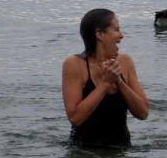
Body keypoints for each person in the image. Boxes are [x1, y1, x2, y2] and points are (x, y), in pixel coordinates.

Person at [62, 8, 149, 147]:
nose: (121, 36)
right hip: (84, 152)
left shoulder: (125, 62)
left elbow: (143, 113)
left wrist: (119, 82)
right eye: (116, 30)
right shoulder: (74, 64)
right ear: (100, 34)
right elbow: (75, 118)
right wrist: (105, 84)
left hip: (121, 150)